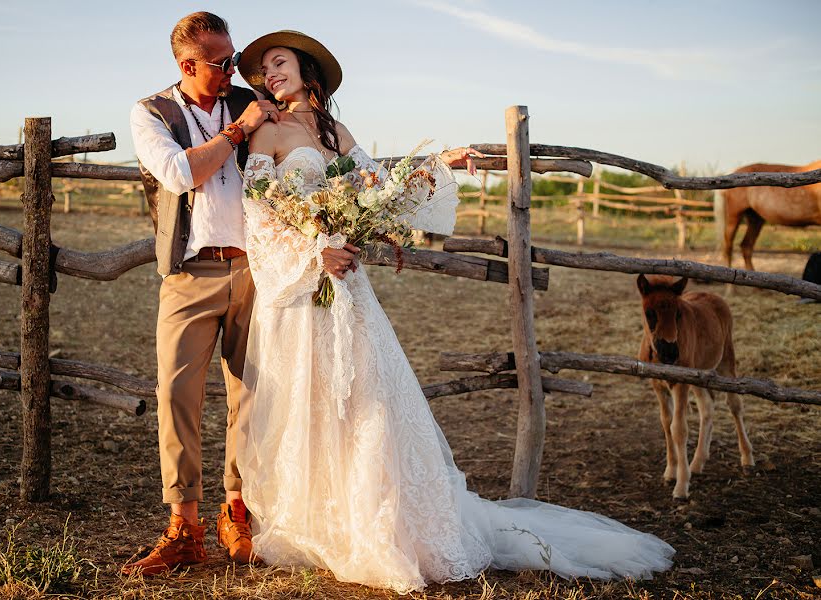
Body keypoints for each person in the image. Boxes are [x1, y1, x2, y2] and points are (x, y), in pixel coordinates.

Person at [235, 30, 676, 593]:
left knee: (368, 400)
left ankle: (383, 520)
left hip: (348, 283)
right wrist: (314, 251)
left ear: (307, 72)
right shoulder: (265, 131)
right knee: (317, 400)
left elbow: (375, 186)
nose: (269, 74)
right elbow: (261, 213)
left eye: (280, 63)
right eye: (262, 70)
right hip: (302, 286)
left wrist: (433, 165)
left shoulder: (334, 131)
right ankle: (323, 521)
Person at [122, 12, 280, 576]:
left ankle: (236, 508)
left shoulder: (250, 100)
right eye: (221, 62)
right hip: (189, 275)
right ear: (187, 65)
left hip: (257, 271)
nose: (232, 69)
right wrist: (237, 132)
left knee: (253, 394)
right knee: (177, 396)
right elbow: (178, 174)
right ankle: (183, 525)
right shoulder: (150, 113)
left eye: (234, 58)